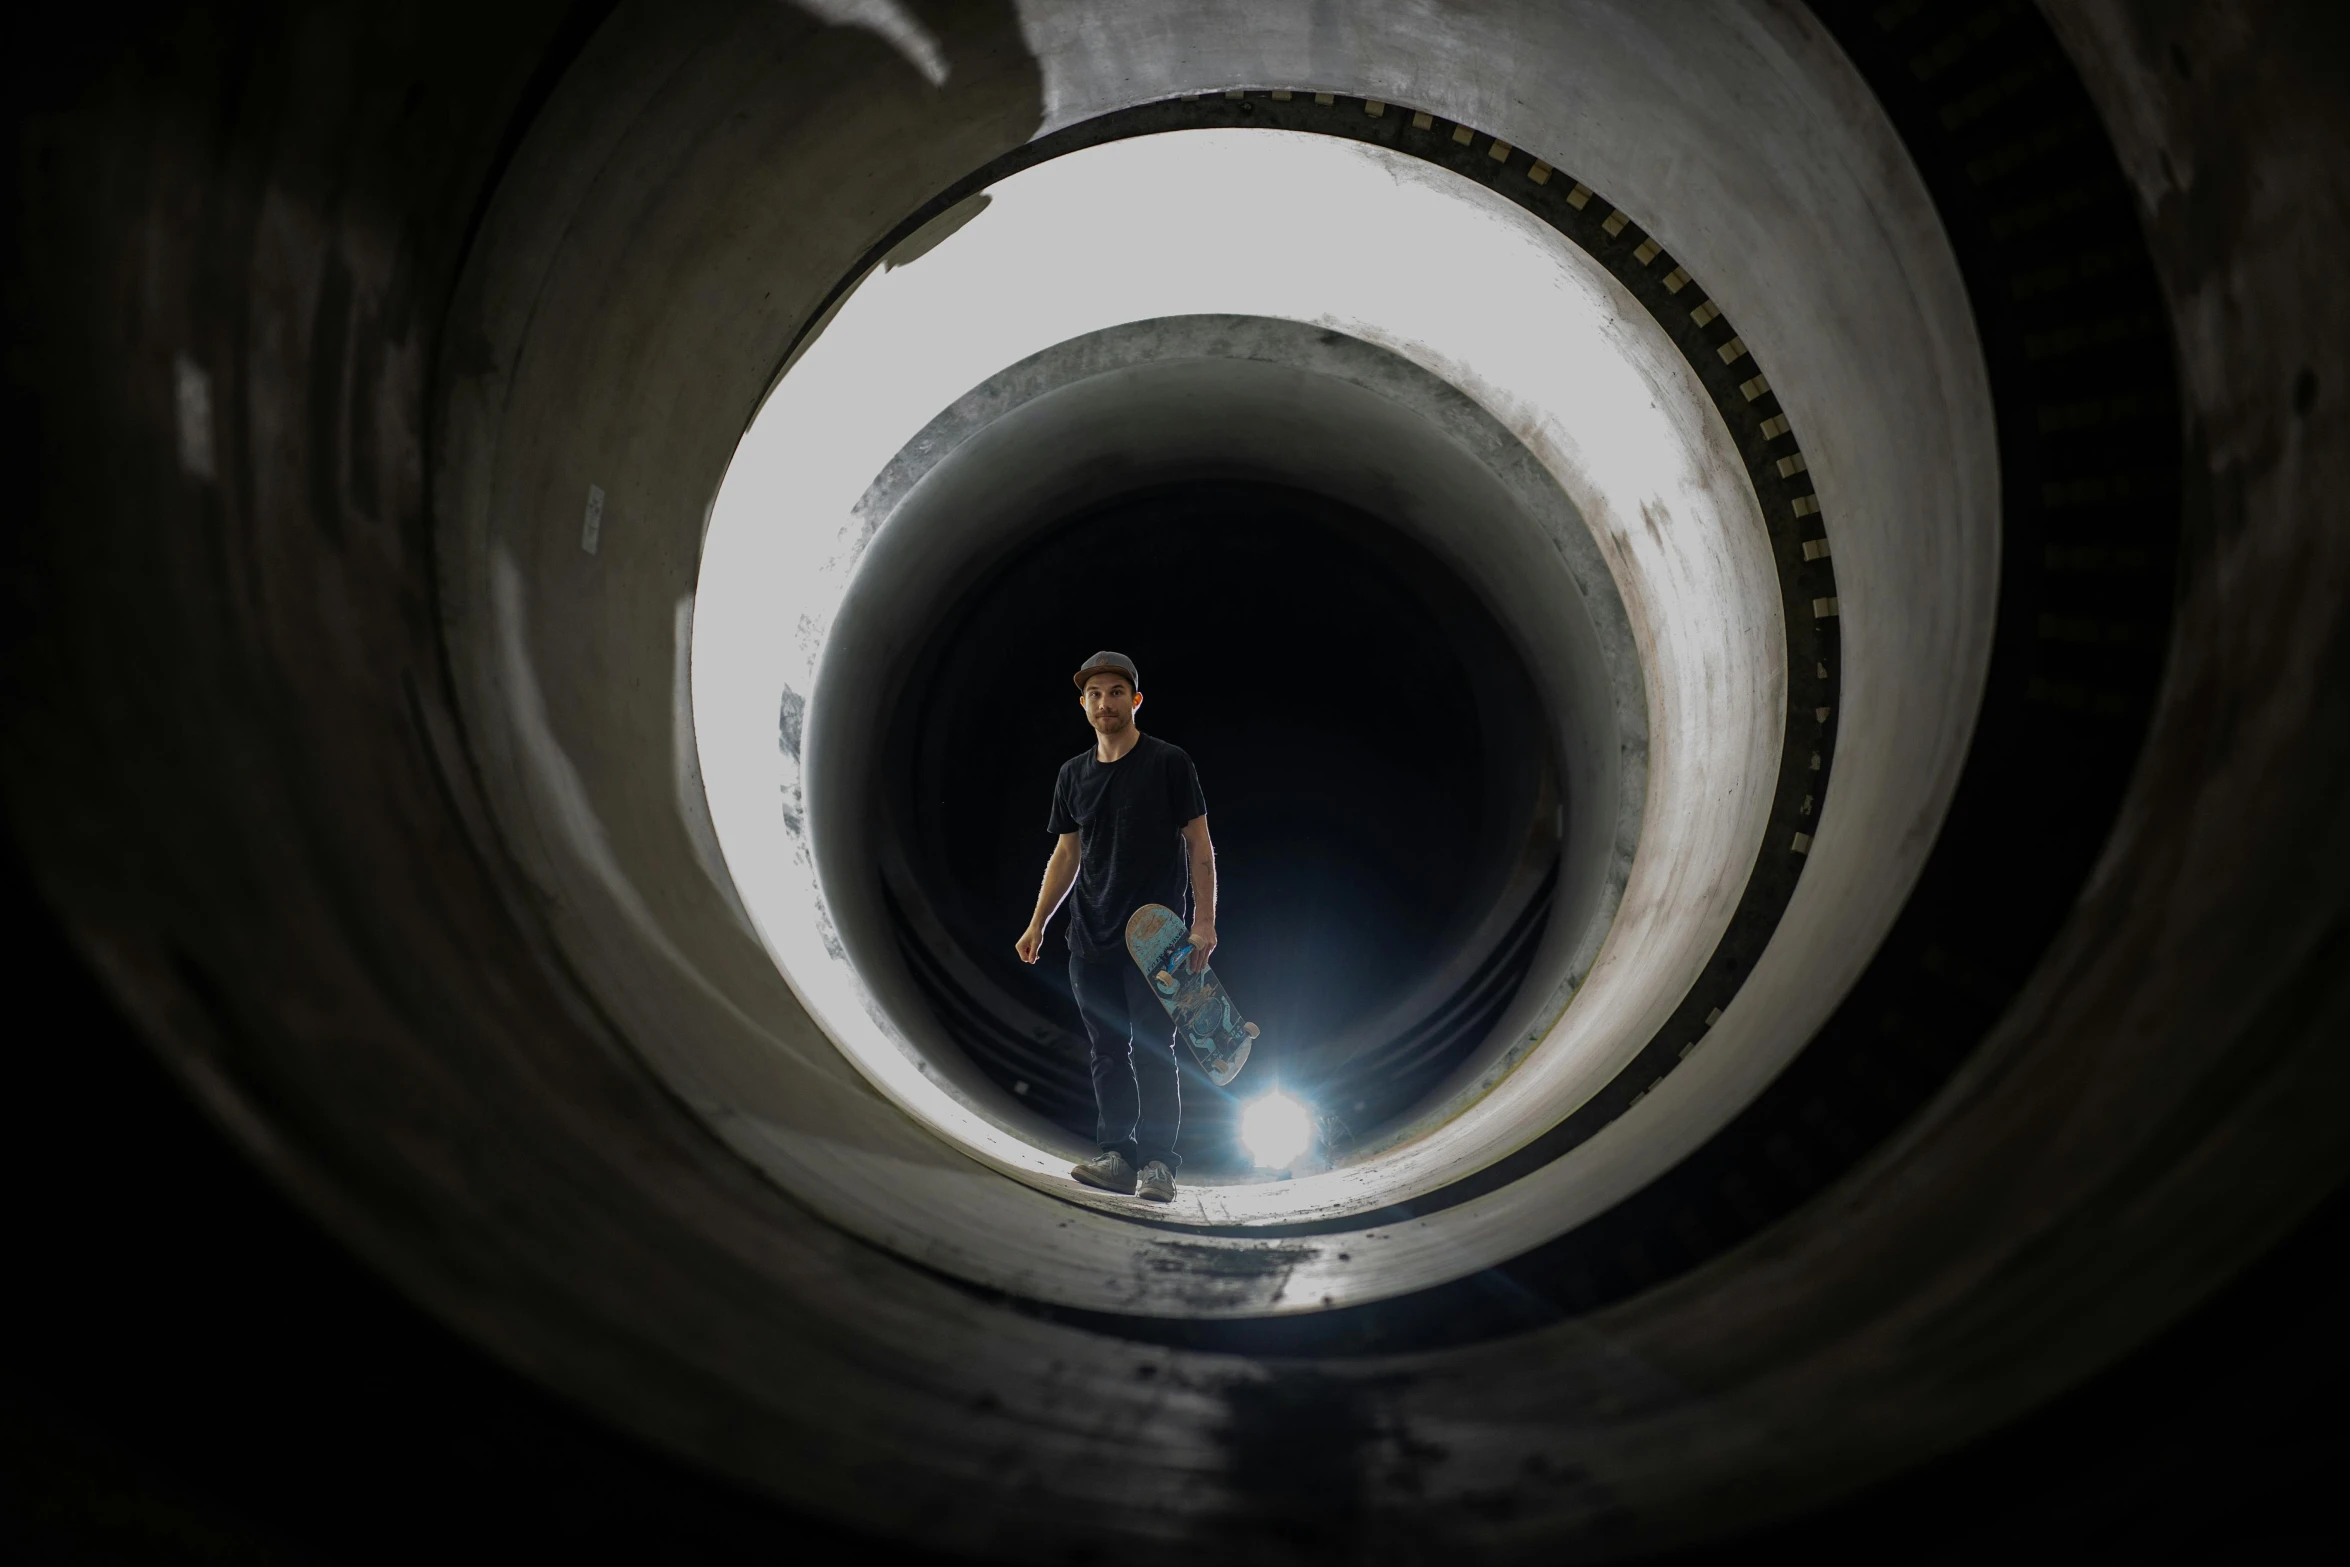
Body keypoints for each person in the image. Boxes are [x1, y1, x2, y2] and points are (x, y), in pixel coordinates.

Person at [1015, 651, 1216, 1203]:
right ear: (1084, 705)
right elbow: (1065, 854)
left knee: (1155, 1049)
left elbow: (1198, 842)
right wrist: (1038, 923)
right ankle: (1116, 1157)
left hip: (1154, 939)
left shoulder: (1168, 762)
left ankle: (1158, 1165)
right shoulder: (1072, 774)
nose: (1105, 702)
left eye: (1116, 692)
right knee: (1106, 1049)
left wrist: (1204, 922)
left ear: (1135, 700)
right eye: (1095, 694)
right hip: (1089, 936)